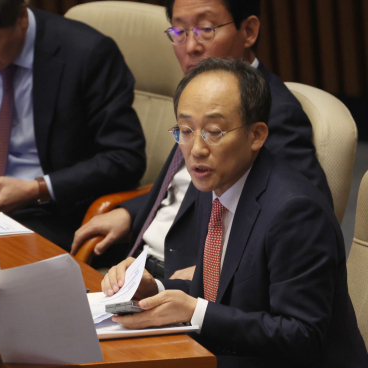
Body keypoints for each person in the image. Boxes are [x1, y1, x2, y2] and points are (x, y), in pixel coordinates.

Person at [103, 58, 368, 368]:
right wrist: (156, 287)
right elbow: (227, 286)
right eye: (185, 130)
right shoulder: (212, 185)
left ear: (257, 135)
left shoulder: (295, 211)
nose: (195, 149)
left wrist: (194, 311)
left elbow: (301, 336)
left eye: (213, 131)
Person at [71, 0, 332, 279]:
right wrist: (131, 213)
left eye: (206, 29)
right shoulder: (198, 94)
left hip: (188, 284)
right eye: (179, 32)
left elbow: (307, 217)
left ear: (249, 31)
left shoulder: (273, 113)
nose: (191, 46)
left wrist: (213, 274)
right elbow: (184, 186)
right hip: (135, 265)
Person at [0, 0, 146, 251]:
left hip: (57, 213)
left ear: (20, 15)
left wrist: (37, 189)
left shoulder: (88, 54)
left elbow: (125, 157)